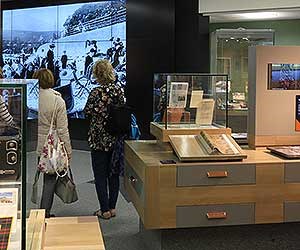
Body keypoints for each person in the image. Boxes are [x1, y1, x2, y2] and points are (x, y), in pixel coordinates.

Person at [84, 60, 125, 219]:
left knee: (100, 175)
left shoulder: (96, 92)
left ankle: (104, 210)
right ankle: (113, 207)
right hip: (115, 139)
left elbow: (87, 111)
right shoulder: (119, 91)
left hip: (99, 140)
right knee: (113, 174)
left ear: (97, 74)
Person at [34, 68, 72, 218]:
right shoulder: (58, 100)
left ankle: (42, 212)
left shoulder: (33, 98)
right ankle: (45, 213)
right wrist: (68, 151)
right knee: (49, 180)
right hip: (52, 147)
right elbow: (63, 129)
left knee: (44, 177)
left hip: (39, 145)